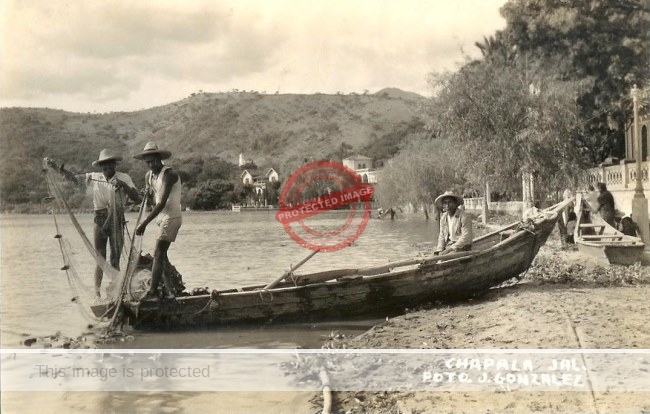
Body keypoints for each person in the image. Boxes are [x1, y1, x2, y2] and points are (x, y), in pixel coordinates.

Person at [47, 149, 140, 297]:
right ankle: (97, 294)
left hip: (116, 218)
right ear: (100, 166)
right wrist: (57, 169)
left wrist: (123, 185)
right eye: (104, 165)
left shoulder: (124, 177)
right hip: (100, 218)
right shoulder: (93, 177)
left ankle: (116, 291)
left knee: (115, 257)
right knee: (100, 258)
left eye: (110, 164)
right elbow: (74, 178)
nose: (107, 168)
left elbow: (137, 198)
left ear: (115, 164)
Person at [133, 142, 182, 300]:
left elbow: (161, 203)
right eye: (147, 162)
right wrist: (145, 195)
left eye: (153, 161)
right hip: (162, 219)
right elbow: (151, 198)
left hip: (172, 217)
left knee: (158, 252)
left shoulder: (169, 174)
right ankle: (170, 291)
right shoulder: (149, 176)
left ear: (160, 159)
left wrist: (144, 224)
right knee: (162, 256)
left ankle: (153, 292)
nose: (151, 164)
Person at [434, 191, 473, 255]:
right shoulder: (443, 218)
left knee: (443, 260)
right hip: (449, 246)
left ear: (455, 203)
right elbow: (442, 236)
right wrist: (440, 250)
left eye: (450, 202)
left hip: (462, 247)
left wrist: (450, 249)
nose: (447, 205)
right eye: (445, 203)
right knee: (430, 259)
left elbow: (466, 237)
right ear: (443, 205)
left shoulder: (464, 217)